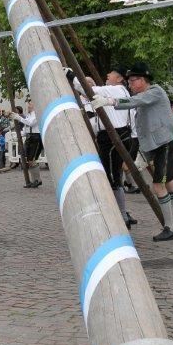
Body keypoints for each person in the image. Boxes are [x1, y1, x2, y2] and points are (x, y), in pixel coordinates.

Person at [91, 62, 173, 242]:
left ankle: (170, 227)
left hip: (165, 142)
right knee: (171, 183)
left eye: (132, 81)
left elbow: (135, 102)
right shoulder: (145, 95)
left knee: (159, 185)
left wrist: (110, 101)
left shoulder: (154, 92)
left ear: (142, 80)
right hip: (156, 145)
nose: (130, 85)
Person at [70, 66, 137, 229]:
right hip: (107, 135)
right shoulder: (111, 91)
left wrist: (69, 74)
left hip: (114, 135)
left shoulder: (117, 89)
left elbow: (88, 89)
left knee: (113, 177)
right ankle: (119, 212)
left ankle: (121, 215)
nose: (107, 74)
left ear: (120, 79)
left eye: (112, 73)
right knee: (110, 175)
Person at [10, 100, 43, 188]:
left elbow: (31, 123)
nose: (27, 106)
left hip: (36, 137)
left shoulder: (37, 113)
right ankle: (34, 180)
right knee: (28, 159)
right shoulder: (28, 115)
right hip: (29, 137)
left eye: (29, 105)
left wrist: (18, 117)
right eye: (27, 105)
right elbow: (26, 129)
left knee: (32, 160)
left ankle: (37, 180)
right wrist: (18, 135)